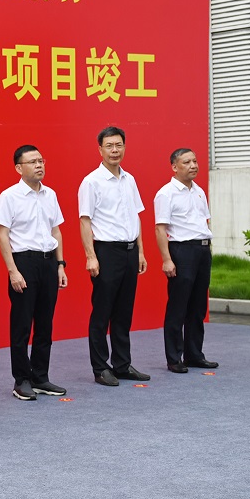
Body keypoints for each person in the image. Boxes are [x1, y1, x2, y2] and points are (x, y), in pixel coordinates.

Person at [78, 126, 151, 386]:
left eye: (119, 145)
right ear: (100, 150)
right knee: (102, 311)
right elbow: (85, 221)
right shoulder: (91, 182)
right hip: (106, 252)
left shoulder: (129, 179)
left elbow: (136, 216)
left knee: (124, 311)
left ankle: (122, 364)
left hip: (130, 251)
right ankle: (100, 368)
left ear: (125, 147)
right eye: (109, 146)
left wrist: (141, 251)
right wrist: (91, 256)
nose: (114, 150)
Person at [0, 145, 69, 400]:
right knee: (22, 324)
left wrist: (60, 264)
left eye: (41, 161)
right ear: (19, 168)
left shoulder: (50, 194)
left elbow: (56, 231)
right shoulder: (9, 196)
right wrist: (12, 271)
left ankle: (40, 377)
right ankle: (21, 380)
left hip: (48, 262)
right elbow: (2, 235)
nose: (39, 165)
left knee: (45, 324)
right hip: (23, 263)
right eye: (32, 162)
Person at [154, 148, 219, 373]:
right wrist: (167, 259)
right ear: (174, 167)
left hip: (202, 250)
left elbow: (204, 222)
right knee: (178, 306)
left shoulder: (199, 191)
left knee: (198, 306)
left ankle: (194, 355)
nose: (193, 165)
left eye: (195, 161)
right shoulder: (166, 194)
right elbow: (160, 229)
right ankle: (174, 358)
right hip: (182, 251)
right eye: (187, 162)